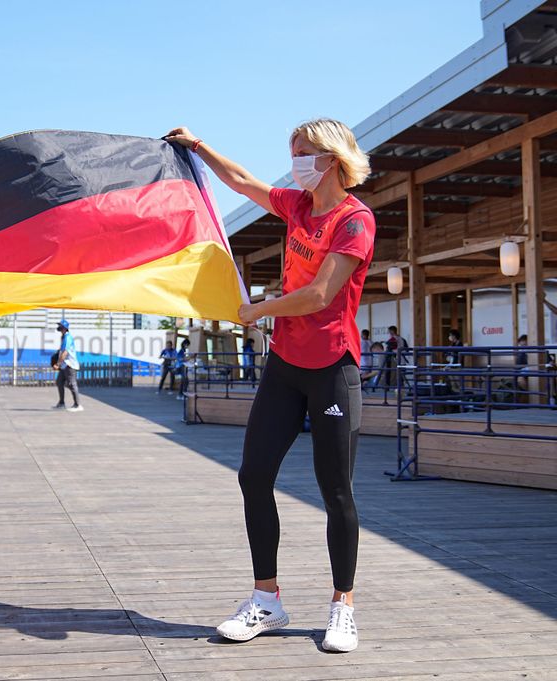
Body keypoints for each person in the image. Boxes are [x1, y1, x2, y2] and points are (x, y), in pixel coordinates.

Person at [166, 118, 374, 653]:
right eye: (292, 153)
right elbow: (239, 181)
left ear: (331, 157)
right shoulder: (297, 206)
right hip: (284, 366)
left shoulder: (355, 221)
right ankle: (267, 599)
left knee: (336, 492)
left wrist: (257, 308)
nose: (296, 162)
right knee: (254, 476)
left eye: (303, 153)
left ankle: (342, 606)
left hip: (333, 369)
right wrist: (198, 146)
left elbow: (321, 295)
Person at [52, 319, 82, 412]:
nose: (58, 327)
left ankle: (77, 405)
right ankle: (61, 403)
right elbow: (61, 351)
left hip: (70, 365)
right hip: (65, 365)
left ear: (64, 328)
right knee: (59, 382)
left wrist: (58, 364)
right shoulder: (64, 337)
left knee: (72, 384)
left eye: (60, 326)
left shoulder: (68, 337)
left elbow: (65, 352)